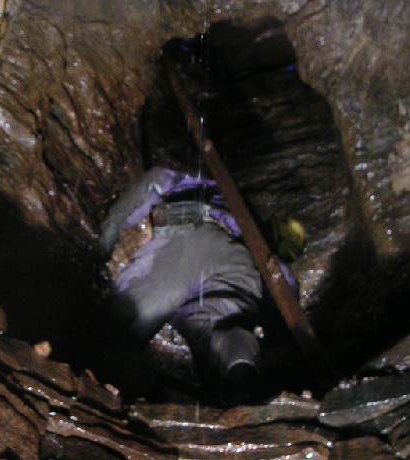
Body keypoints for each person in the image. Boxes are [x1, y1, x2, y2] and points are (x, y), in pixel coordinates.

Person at [99, 167, 290, 404]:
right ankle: (239, 391)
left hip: (199, 244)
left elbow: (158, 178)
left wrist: (107, 230)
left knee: (118, 329)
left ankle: (239, 391)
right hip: (234, 275)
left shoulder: (200, 179)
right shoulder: (237, 211)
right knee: (220, 343)